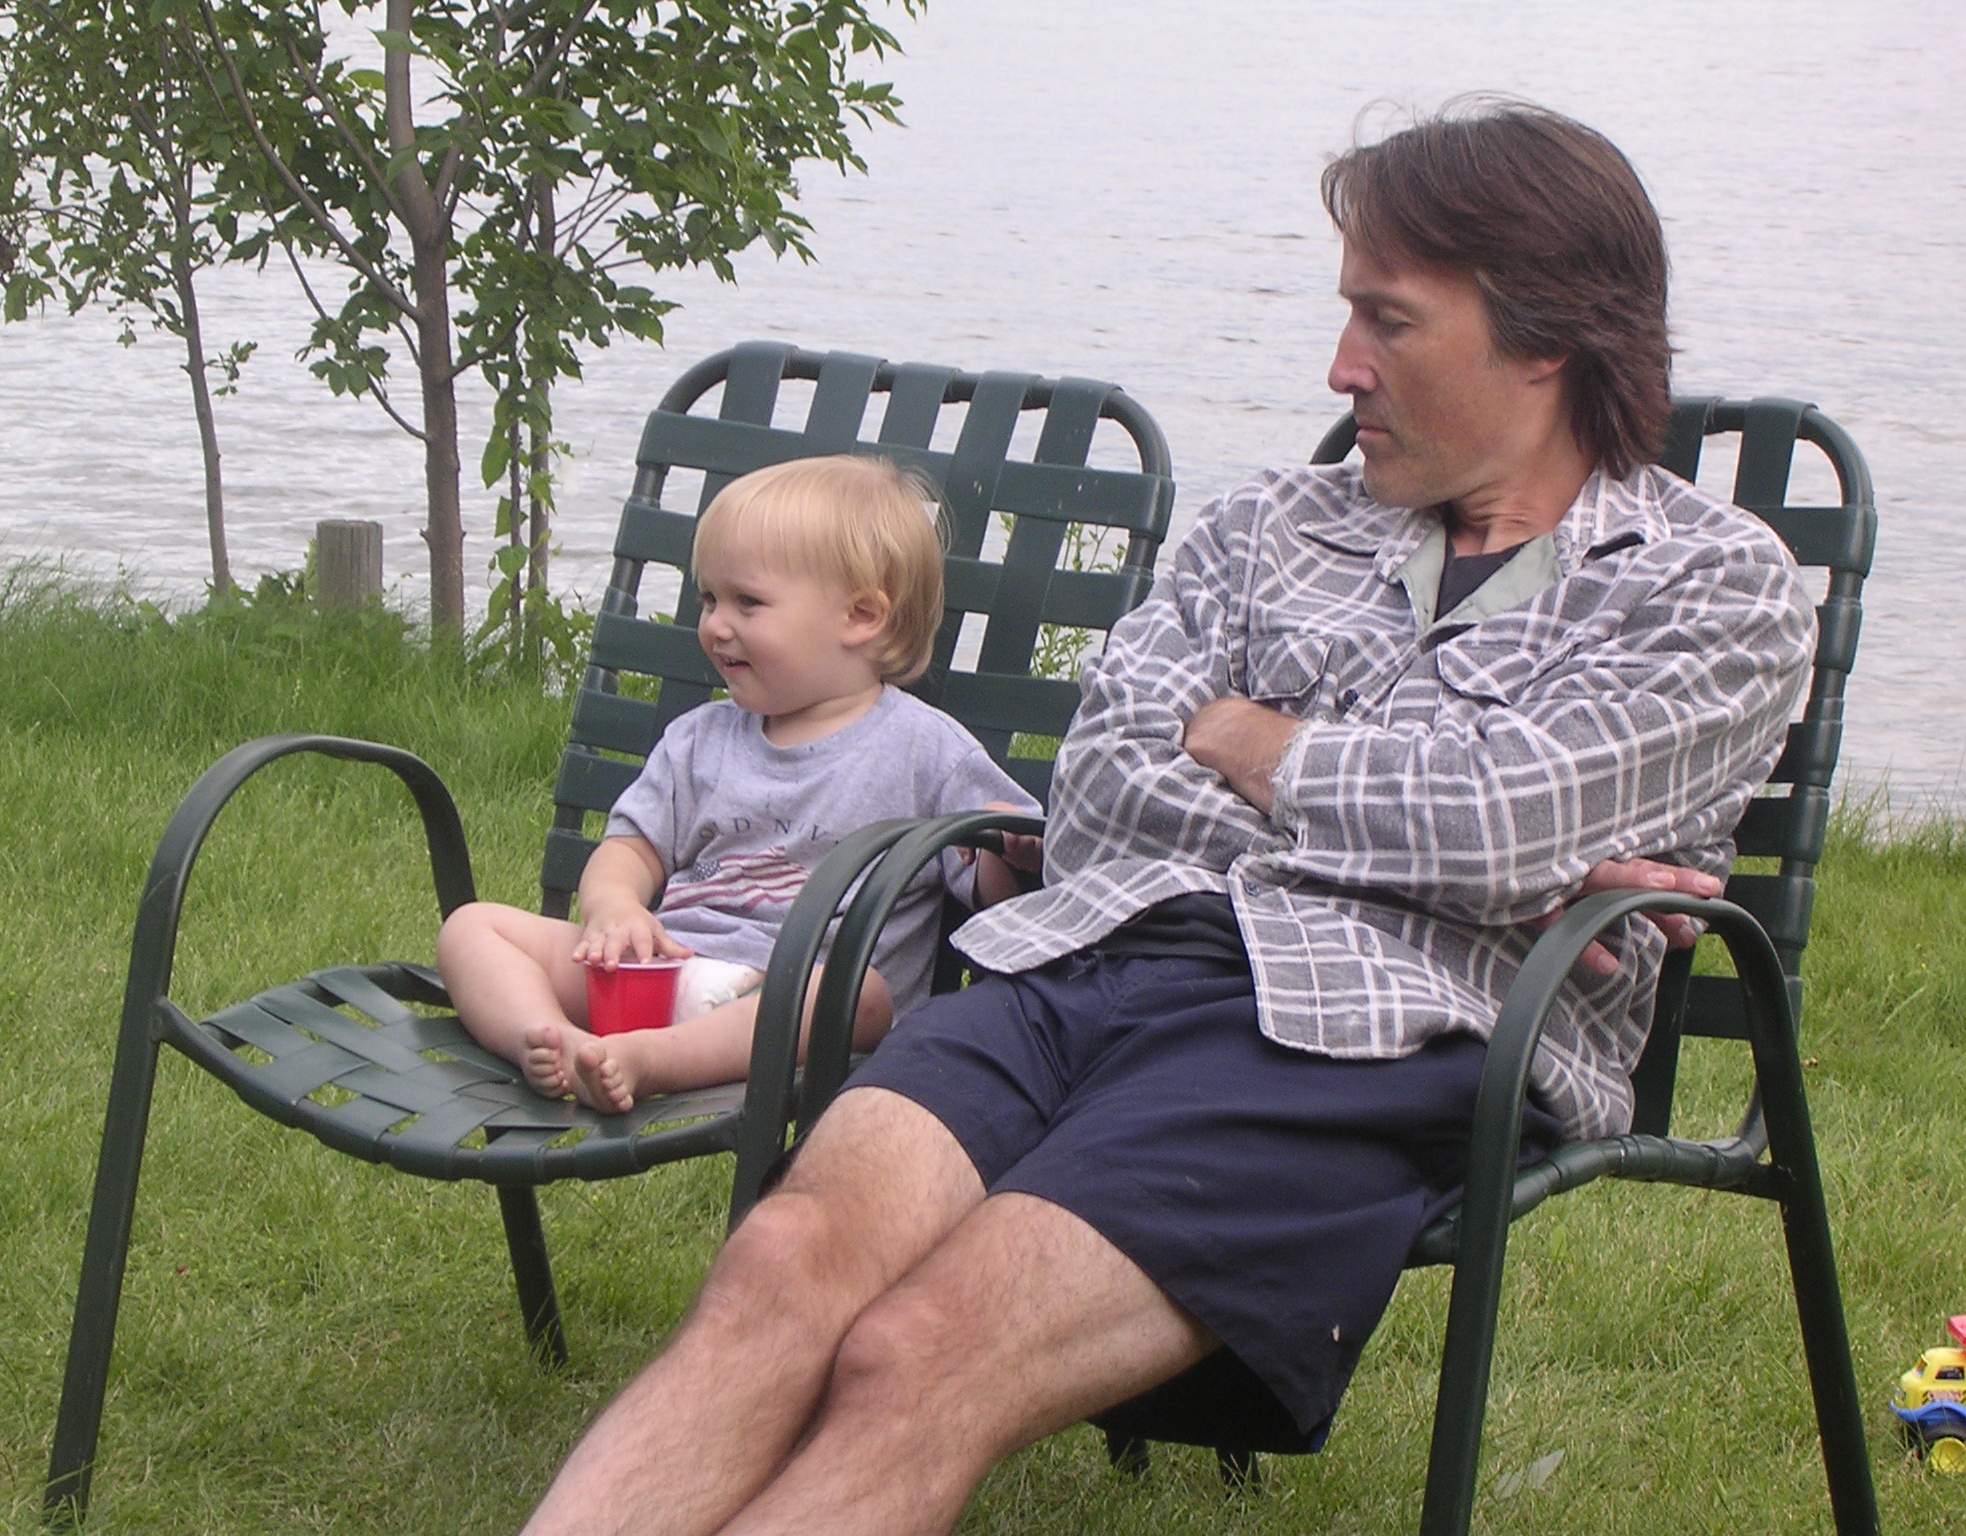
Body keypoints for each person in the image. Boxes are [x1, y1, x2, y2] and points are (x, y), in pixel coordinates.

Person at [517, 99, 1816, 1536]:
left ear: (1546, 338)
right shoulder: (1270, 525)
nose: (1342, 366)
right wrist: (1459, 844)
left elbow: (1497, 820)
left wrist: (1253, 741)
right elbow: (1105, 779)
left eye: (1388, 321)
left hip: (1372, 1035)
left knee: (921, 1353)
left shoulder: (1713, 586)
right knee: (778, 1275)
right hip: (1091, 964)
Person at [438, 454, 1040, 1115]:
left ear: (861, 616)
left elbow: (997, 895)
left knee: (863, 994)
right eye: (709, 598)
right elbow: (631, 848)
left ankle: (650, 1062)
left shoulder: (926, 751)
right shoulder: (701, 739)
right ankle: (551, 1039)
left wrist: (1005, 845)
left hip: (790, 1002)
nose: (715, 625)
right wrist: (615, 908)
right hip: (663, 970)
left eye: (747, 602)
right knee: (473, 928)